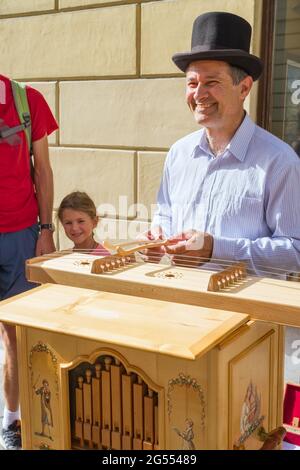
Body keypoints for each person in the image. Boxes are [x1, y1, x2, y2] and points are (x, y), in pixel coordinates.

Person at [146, 12, 300, 277]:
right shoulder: (178, 153)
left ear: (244, 88)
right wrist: (157, 236)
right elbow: (165, 216)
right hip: (180, 302)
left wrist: (216, 249)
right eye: (192, 83)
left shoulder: (279, 161)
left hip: (246, 314)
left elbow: (294, 252)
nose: (198, 94)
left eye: (212, 82)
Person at [0, 75, 58, 450]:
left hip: (20, 235)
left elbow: (43, 169)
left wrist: (47, 227)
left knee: (14, 334)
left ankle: (11, 422)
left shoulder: (26, 100)